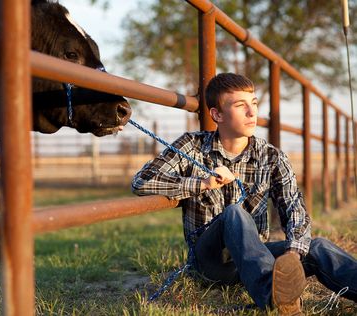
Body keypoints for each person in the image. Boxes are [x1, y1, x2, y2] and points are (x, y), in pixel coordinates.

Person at [131, 73, 357, 315]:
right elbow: (141, 181)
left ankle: (282, 288)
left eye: (254, 103)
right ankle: (277, 299)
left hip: (255, 259)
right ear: (217, 115)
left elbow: (294, 208)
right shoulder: (192, 145)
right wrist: (202, 182)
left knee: (318, 246)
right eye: (241, 106)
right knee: (234, 214)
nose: (252, 112)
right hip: (212, 263)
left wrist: (292, 254)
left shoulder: (271, 156)